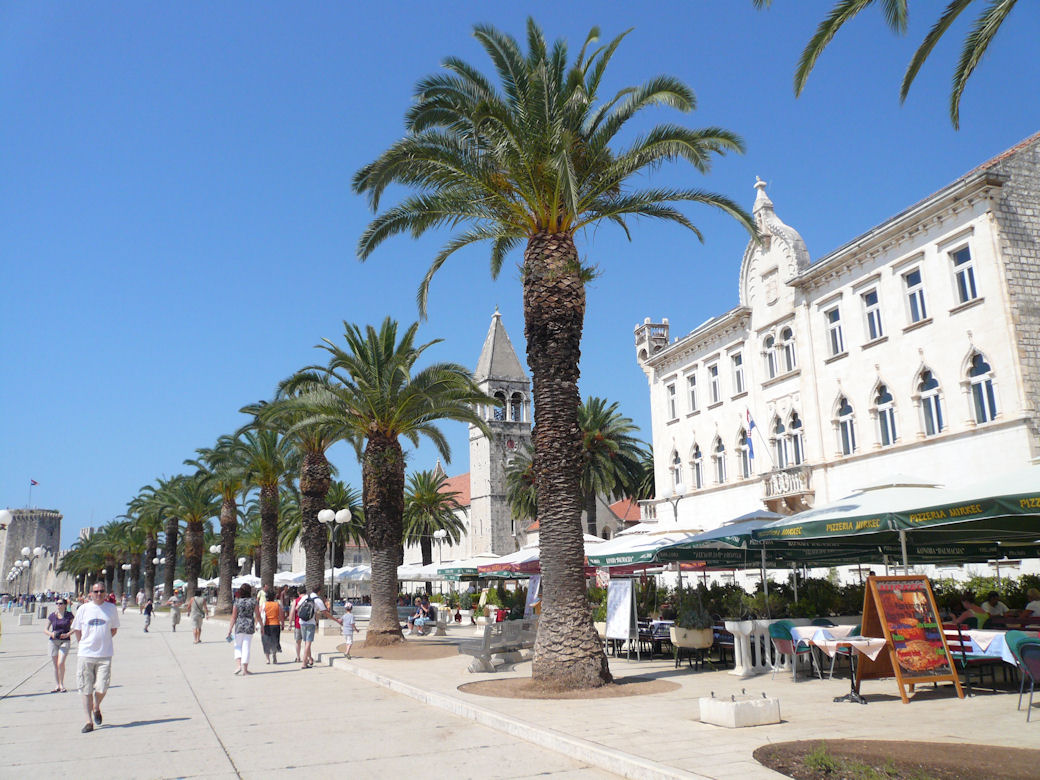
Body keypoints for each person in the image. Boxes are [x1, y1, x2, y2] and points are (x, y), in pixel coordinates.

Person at [71, 583, 119, 733]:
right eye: (96, 591)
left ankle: (96, 706)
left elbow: (114, 629)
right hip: (86, 654)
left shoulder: (111, 608)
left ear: (105, 593)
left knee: (102, 686)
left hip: (104, 654)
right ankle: (88, 722)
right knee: (85, 688)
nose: (98, 594)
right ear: (90, 593)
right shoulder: (83, 609)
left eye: (101, 591)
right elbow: (77, 629)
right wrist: (84, 643)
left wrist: (103, 640)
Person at [226, 583, 261, 676]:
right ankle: (245, 669)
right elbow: (258, 615)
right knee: (246, 647)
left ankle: (238, 666)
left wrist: (230, 629)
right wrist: (261, 625)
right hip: (249, 626)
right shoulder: (253, 601)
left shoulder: (237, 602)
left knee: (237, 646)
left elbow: (234, 617)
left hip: (239, 626)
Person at [292, 586, 331, 669]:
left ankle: (309, 660)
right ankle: (304, 663)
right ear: (319, 591)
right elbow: (325, 613)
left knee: (306, 642)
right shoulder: (318, 600)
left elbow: (296, 608)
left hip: (302, 622)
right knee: (308, 643)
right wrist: (336, 620)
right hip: (311, 622)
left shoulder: (305, 597)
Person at [45, 597, 73, 692]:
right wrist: (51, 634)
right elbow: (45, 629)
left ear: (65, 605)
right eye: (57, 603)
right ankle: (57, 685)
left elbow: (75, 627)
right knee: (55, 665)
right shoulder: (52, 615)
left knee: (60, 662)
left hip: (65, 641)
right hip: (53, 641)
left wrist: (68, 634)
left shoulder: (69, 615)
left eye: (60, 603)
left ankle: (62, 684)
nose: (58, 605)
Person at [261, 587, 283, 664]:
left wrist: (258, 625)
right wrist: (282, 623)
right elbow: (281, 615)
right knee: (275, 640)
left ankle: (267, 659)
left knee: (266, 641)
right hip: (275, 624)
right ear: (274, 597)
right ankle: (274, 654)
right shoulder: (277, 604)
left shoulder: (264, 605)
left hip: (266, 625)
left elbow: (260, 614)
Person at [287, 587, 302, 661]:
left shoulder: (296, 601)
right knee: (307, 642)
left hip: (298, 623)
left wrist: (290, 623)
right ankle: (308, 658)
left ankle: (298, 657)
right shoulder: (307, 600)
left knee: (298, 642)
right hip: (308, 623)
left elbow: (292, 613)